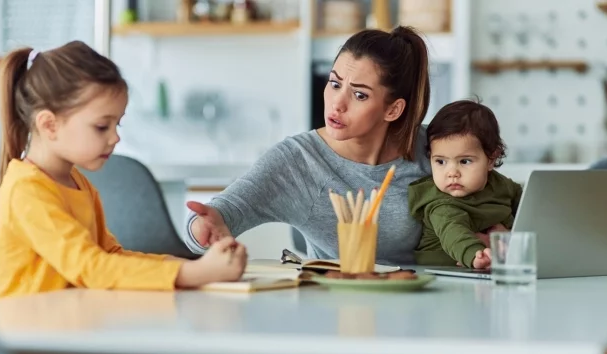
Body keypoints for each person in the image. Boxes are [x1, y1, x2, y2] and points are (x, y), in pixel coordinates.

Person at [0, 41, 247, 299]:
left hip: (68, 326)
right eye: (102, 126)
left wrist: (192, 267)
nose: (115, 138)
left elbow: (109, 256)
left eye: (118, 125)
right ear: (49, 125)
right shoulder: (27, 190)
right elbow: (90, 267)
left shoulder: (77, 182)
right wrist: (195, 274)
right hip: (28, 334)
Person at [184, 26, 433, 265]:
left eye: (359, 95)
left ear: (393, 109)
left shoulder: (434, 151)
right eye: (335, 84)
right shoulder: (298, 161)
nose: (337, 103)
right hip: (334, 301)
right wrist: (202, 226)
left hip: (429, 299)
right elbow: (222, 212)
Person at [408, 99, 523, 269]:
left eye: (464, 161)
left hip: (492, 267)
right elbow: (454, 233)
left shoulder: (502, 186)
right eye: (440, 162)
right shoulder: (441, 204)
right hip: (443, 274)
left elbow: (527, 208)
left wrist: (514, 237)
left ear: (491, 159)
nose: (452, 173)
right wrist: (476, 255)